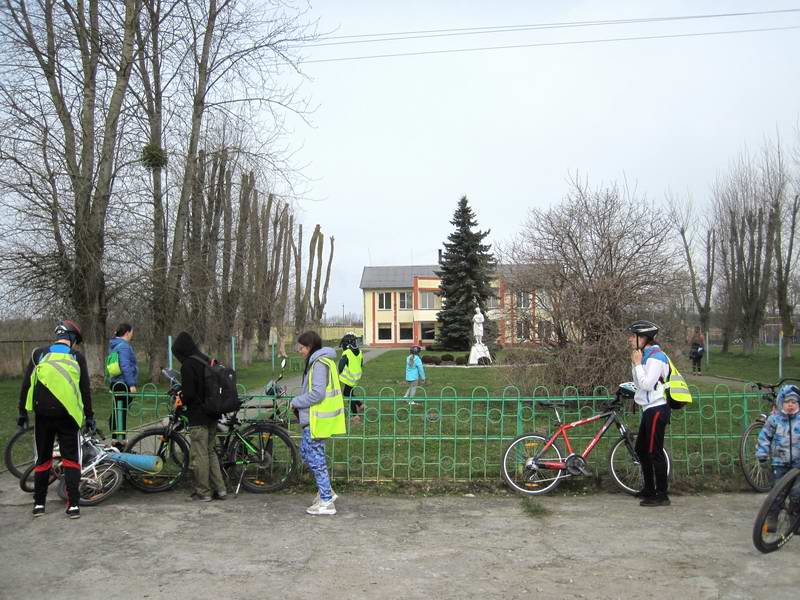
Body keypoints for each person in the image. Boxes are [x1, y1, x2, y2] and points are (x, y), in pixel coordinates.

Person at [17, 320, 95, 519]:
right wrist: (90, 416)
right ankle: (73, 506)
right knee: (71, 460)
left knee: (43, 460)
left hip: (42, 416)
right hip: (69, 417)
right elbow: (85, 389)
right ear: (72, 338)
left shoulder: (38, 354)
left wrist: (22, 413)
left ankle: (39, 504)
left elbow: (27, 384)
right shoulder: (77, 357)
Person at [290, 331, 346, 515]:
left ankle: (327, 502)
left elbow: (317, 394)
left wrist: (296, 401)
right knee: (308, 454)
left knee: (315, 459)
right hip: (315, 420)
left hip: (317, 420)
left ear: (310, 347)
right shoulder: (319, 362)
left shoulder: (319, 364)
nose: (300, 351)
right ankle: (326, 492)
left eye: (302, 347)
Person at [171, 331, 226, 502]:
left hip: (198, 416)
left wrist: (180, 396)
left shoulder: (188, 365)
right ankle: (220, 489)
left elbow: (189, 394)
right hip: (212, 413)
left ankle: (203, 492)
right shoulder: (204, 359)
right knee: (210, 452)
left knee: (200, 454)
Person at [627, 320, 672, 507]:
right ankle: (649, 489)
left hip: (657, 408)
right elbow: (639, 384)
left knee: (655, 452)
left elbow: (647, 384)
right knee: (641, 450)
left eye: (633, 336)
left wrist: (637, 364)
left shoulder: (656, 357)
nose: (629, 339)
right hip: (648, 409)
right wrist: (636, 363)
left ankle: (662, 495)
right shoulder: (644, 356)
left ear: (643, 338)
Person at [756, 384, 800, 532]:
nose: (790, 405)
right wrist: (762, 454)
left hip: (798, 465)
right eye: (787, 402)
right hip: (779, 463)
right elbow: (764, 437)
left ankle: (795, 521)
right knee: (778, 493)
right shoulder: (774, 420)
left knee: (797, 493)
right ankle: (772, 518)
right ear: (781, 402)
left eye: (794, 402)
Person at [107, 323, 138, 444]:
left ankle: (117, 437)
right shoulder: (124, 346)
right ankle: (120, 438)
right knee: (122, 410)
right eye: (132, 332)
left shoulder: (114, 344)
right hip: (123, 382)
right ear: (127, 333)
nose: (132, 334)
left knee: (118, 409)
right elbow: (125, 365)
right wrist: (131, 384)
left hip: (115, 381)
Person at [338, 332, 364, 422]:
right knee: (349, 393)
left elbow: (340, 366)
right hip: (356, 377)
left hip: (349, 378)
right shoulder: (359, 352)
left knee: (348, 394)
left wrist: (339, 372)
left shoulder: (347, 352)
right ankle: (360, 405)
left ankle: (355, 415)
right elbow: (361, 363)